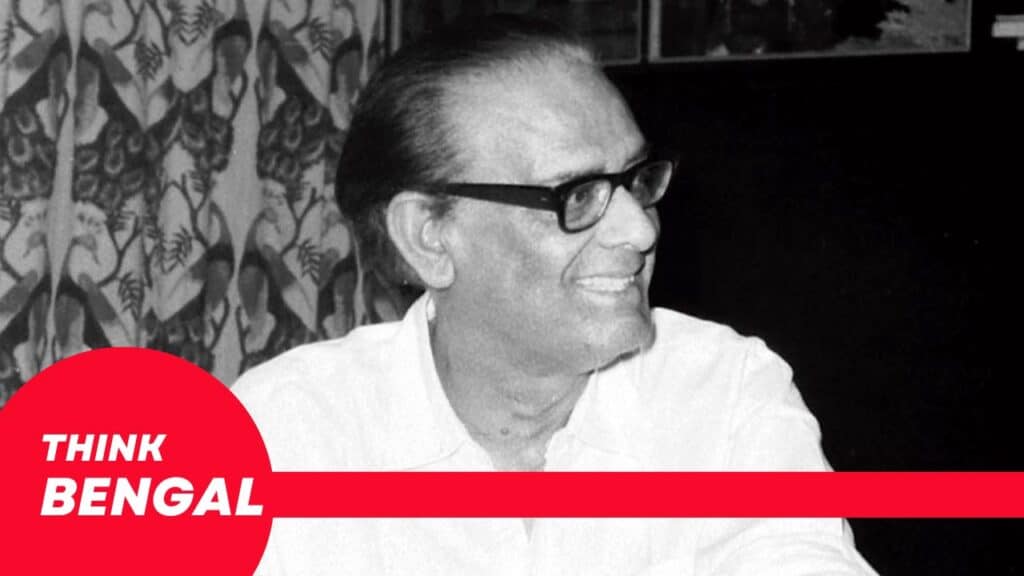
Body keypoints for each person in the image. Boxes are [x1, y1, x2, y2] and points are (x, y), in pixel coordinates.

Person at [233, 15, 879, 575]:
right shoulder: (279, 437)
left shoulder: (724, 396)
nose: (639, 229)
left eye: (636, 180)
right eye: (577, 195)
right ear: (429, 237)